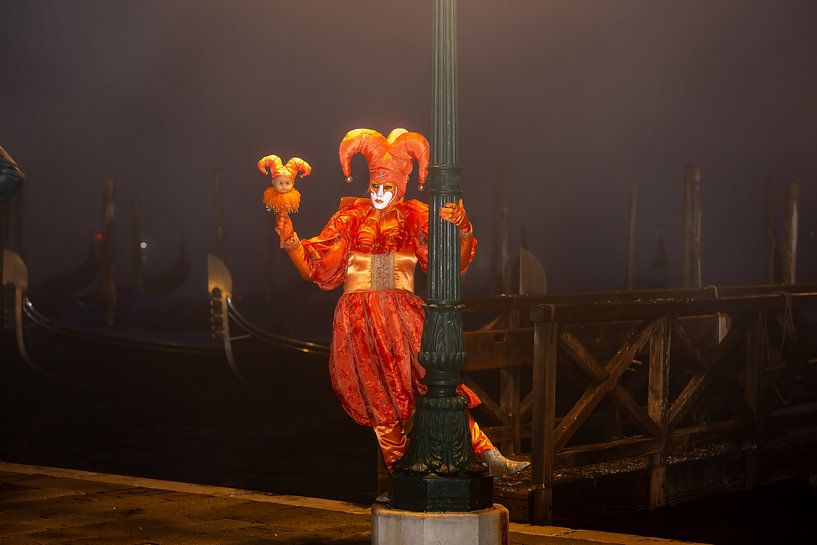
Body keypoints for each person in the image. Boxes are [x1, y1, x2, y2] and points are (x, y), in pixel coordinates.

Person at [270, 128, 528, 477]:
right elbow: (317, 268)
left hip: (403, 318)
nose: (378, 194)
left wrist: (464, 230)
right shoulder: (350, 219)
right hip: (357, 321)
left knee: (435, 383)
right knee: (378, 397)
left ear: (400, 187)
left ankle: (486, 454)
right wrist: (289, 237)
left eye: (387, 187)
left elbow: (447, 265)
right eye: (375, 186)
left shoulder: (414, 218)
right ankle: (400, 474)